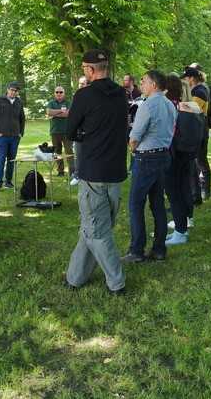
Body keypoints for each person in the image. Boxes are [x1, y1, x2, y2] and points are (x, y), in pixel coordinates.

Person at [64, 50, 128, 295]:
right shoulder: (121, 94)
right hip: (115, 171)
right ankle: (75, 277)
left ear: (91, 70)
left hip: (93, 172)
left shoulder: (84, 95)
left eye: (83, 68)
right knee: (92, 228)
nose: (83, 72)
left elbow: (70, 132)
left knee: (97, 232)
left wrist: (86, 136)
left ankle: (117, 283)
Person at [122, 69, 177, 263]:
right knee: (158, 204)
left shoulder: (147, 105)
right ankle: (159, 249)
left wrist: (131, 148)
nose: (142, 84)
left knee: (136, 204)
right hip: (163, 155)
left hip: (146, 158)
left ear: (154, 84)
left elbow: (135, 137)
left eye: (144, 81)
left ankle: (137, 250)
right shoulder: (170, 104)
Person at [163, 75, 202, 245]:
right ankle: (184, 224)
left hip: (176, 154)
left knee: (174, 191)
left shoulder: (175, 107)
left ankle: (180, 231)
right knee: (184, 187)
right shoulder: (193, 107)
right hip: (189, 154)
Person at [182, 65, 211, 203]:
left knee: (201, 161)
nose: (185, 81)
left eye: (186, 78)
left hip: (200, 130)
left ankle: (205, 190)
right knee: (196, 161)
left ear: (192, 78)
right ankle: (197, 192)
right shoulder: (195, 90)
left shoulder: (200, 91)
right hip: (196, 130)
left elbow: (194, 108)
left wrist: (177, 105)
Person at [0, 81, 26, 192]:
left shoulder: (19, 102)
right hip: (2, 137)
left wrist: (21, 132)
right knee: (1, 159)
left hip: (15, 137)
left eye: (16, 91)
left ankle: (8, 182)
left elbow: (22, 119)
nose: (13, 92)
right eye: (12, 90)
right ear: (8, 89)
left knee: (12, 160)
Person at [47, 86, 74, 178]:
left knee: (69, 152)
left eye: (61, 92)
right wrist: (61, 111)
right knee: (57, 152)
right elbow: (49, 112)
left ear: (64, 93)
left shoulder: (68, 102)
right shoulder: (51, 103)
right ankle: (60, 171)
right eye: (57, 92)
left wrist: (56, 114)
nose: (59, 94)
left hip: (67, 132)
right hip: (55, 132)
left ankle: (72, 172)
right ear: (54, 93)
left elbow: (68, 114)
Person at [70, 75, 89, 187]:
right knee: (78, 154)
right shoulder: (76, 97)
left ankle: (84, 175)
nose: (80, 85)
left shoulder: (91, 97)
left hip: (89, 132)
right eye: (80, 84)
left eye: (83, 83)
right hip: (78, 132)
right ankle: (78, 175)